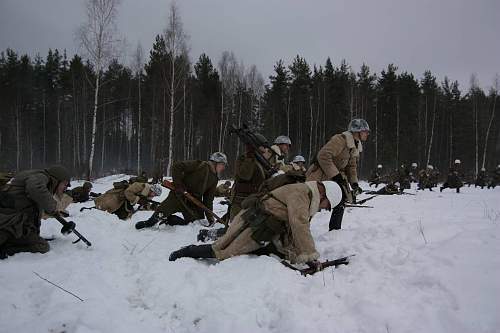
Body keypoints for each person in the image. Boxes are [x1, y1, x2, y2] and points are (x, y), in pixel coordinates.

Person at [169, 180, 342, 265]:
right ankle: (186, 252)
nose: (324, 209)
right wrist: (309, 253)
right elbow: (299, 224)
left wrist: (298, 253)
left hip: (264, 226)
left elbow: (294, 228)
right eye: (327, 206)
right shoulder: (302, 194)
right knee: (224, 251)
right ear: (325, 195)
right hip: (254, 223)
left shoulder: (306, 195)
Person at [135, 152, 227, 229]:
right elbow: (177, 166)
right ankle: (148, 223)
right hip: (178, 196)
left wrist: (210, 219)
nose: (223, 168)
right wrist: (179, 185)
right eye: (222, 164)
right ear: (215, 163)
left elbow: (208, 200)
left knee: (194, 224)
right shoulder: (199, 165)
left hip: (193, 202)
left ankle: (172, 220)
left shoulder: (214, 179)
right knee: (160, 213)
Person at [306, 118, 369, 231]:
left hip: (335, 177)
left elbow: (351, 167)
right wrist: (335, 175)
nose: (367, 134)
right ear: (356, 131)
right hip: (320, 175)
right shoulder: (340, 140)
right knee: (310, 204)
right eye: (365, 131)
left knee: (341, 199)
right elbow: (323, 156)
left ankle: (335, 231)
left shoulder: (354, 146)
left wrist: (354, 184)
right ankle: (297, 231)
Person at [0, 165, 71, 259]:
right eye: (64, 184)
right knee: (42, 246)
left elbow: (32, 211)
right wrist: (52, 206)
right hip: (9, 223)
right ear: (56, 180)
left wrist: (34, 233)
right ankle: (6, 250)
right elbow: (34, 187)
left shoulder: (37, 175)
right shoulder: (42, 177)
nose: (65, 188)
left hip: (10, 222)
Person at [95, 182, 162, 220]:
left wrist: (151, 207)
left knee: (123, 216)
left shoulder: (149, 194)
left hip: (127, 201)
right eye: (155, 194)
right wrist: (138, 200)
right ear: (152, 190)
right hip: (119, 196)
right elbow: (127, 192)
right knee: (104, 207)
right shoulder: (140, 186)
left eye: (156, 195)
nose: (154, 196)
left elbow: (145, 202)